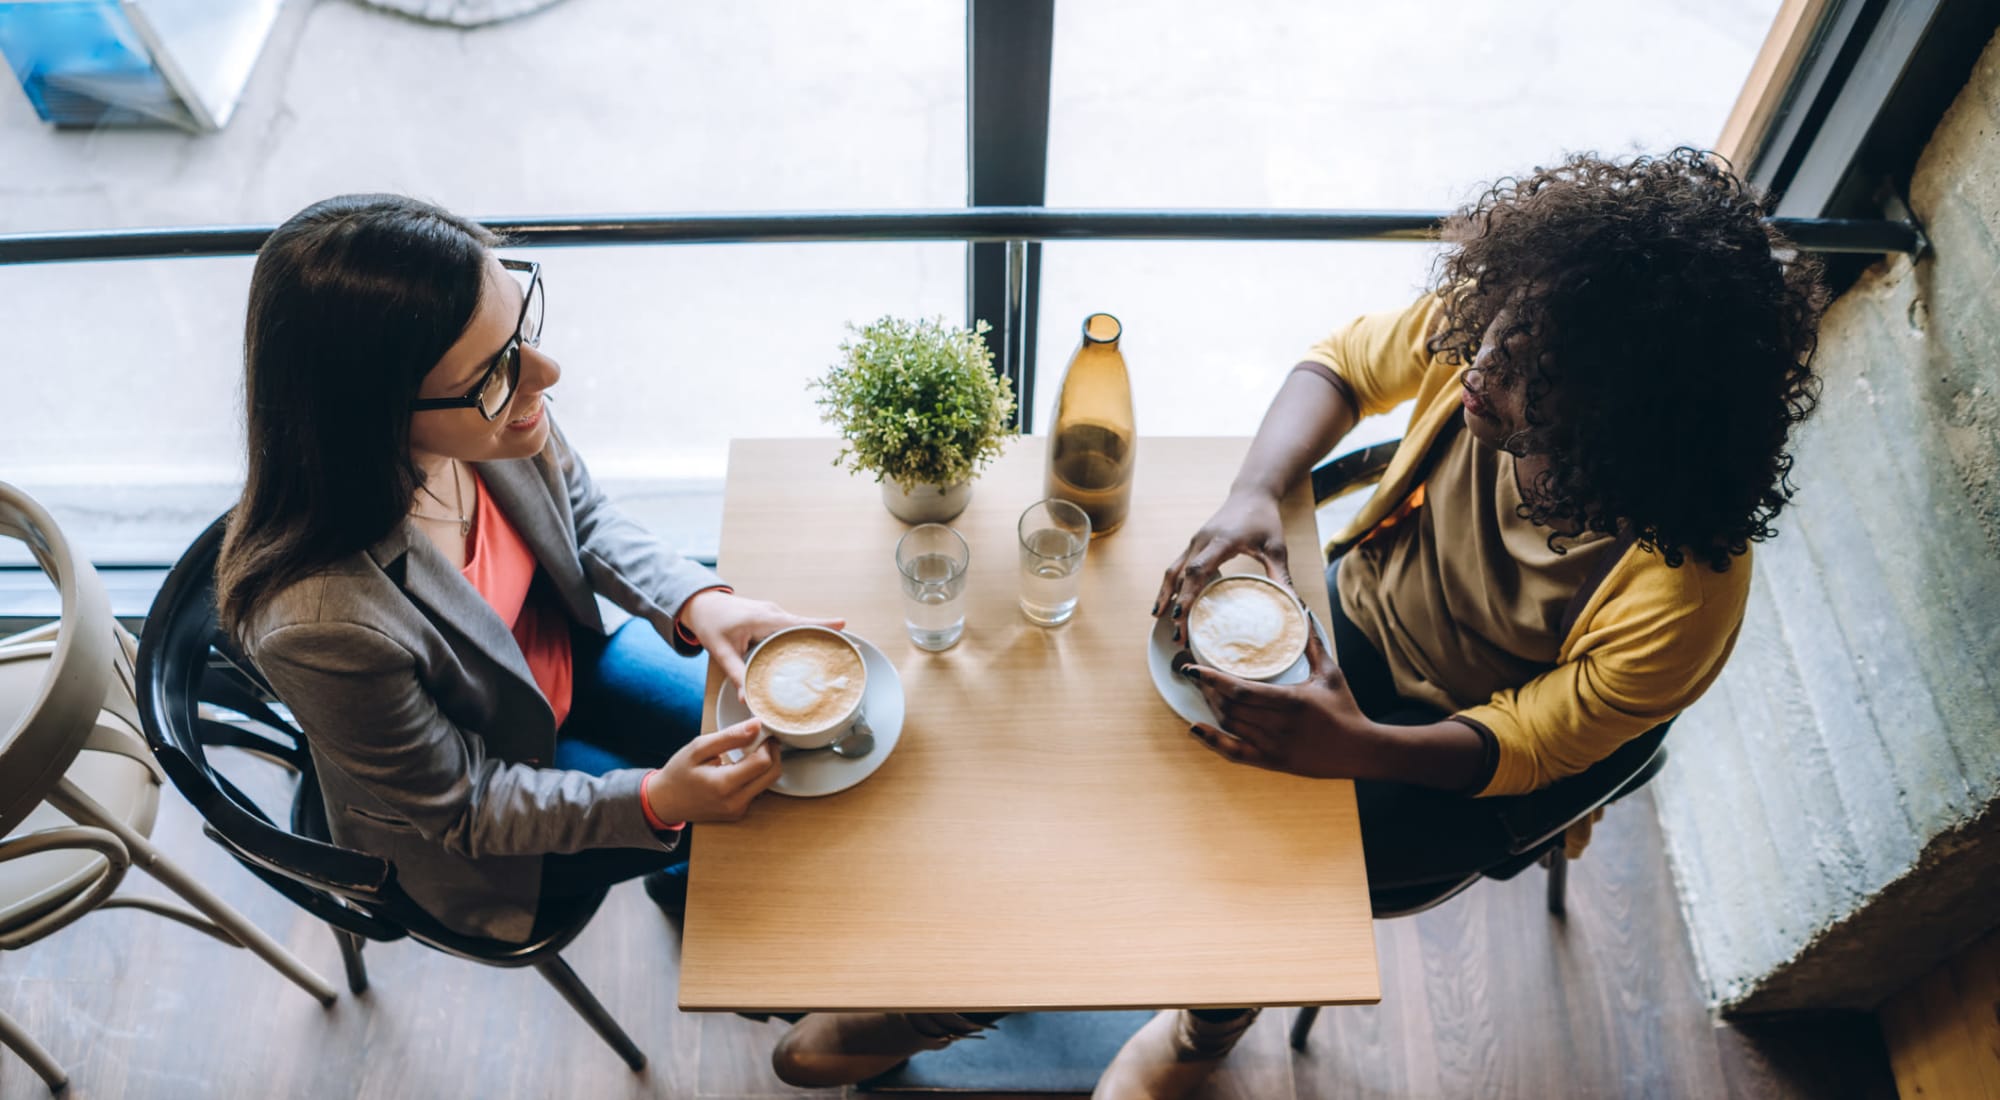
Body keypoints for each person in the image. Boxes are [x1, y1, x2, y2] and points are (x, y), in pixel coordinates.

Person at [1088, 148, 1829, 1097]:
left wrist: (1355, 745)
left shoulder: (1683, 600)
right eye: (1496, 339)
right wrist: (1255, 491)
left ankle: (1202, 1033)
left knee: (1268, 880)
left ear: (1613, 429)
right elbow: (1345, 363)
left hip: (1445, 755)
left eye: (1522, 376)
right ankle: (969, 997)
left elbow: (1525, 745)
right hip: (1345, 616)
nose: (1476, 366)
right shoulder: (1524, 324)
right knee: (1131, 769)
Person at [216, 194, 838, 944]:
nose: (545, 372)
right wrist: (658, 801)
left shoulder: (493, 405)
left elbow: (581, 515)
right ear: (373, 413)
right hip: (495, 828)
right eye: (497, 369)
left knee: (794, 758)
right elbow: (466, 807)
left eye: (523, 327)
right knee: (759, 818)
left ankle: (683, 873)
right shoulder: (320, 624)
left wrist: (695, 599)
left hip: (572, 665)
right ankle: (692, 889)